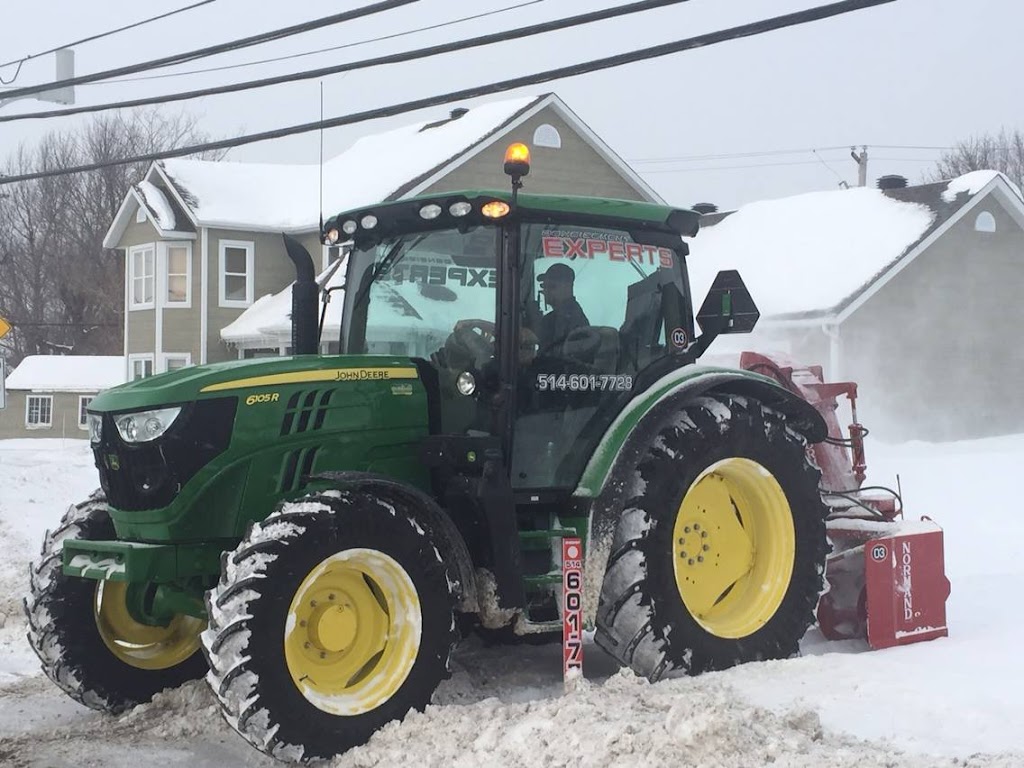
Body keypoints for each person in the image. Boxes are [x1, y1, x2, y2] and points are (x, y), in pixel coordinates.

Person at [536, 262, 590, 352]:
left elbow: (555, 356)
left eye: (552, 287)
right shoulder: (553, 317)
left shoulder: (571, 319)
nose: (545, 292)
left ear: (568, 287)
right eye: (544, 286)